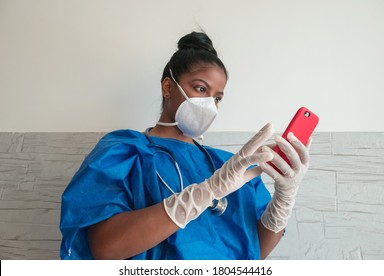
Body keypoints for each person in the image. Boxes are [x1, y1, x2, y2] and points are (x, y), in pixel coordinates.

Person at [59, 31, 311, 260]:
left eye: (218, 98)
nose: (210, 104)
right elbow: (106, 248)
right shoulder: (124, 152)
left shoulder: (231, 167)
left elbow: (257, 252)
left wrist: (284, 198)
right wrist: (206, 192)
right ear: (168, 87)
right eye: (201, 88)